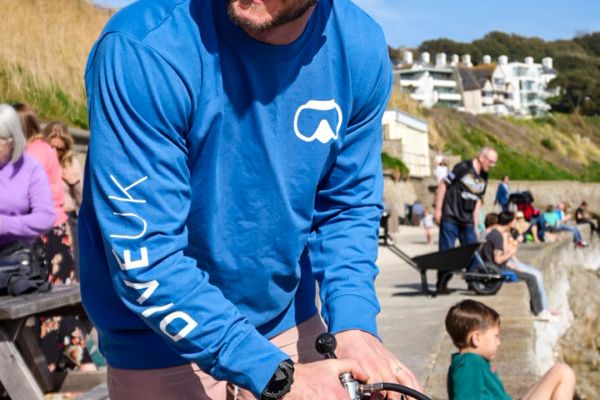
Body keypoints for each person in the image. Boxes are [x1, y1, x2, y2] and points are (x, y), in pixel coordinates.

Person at [81, 1, 421, 399]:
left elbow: (346, 207)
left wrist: (354, 324)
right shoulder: (146, 46)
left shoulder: (358, 46)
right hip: (162, 343)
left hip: (288, 322)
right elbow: (146, 254)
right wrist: (272, 375)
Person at [445, 300, 575, 400]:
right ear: (476, 338)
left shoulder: (470, 362)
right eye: (495, 336)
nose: (499, 342)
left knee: (560, 371)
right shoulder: (468, 365)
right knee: (563, 372)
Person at [14, 104, 76, 284]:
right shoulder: (36, 149)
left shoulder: (35, 152)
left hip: (49, 232)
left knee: (55, 287)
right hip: (47, 228)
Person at [433, 147, 498, 293]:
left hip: (467, 219)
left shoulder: (484, 176)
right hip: (451, 215)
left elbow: (478, 200)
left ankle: (473, 282)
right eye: (491, 161)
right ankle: (442, 284)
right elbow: (443, 184)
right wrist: (438, 210)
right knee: (447, 252)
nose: (492, 165)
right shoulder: (463, 167)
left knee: (472, 251)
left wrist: (476, 224)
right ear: (482, 157)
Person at [480, 211, 556, 319]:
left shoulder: (495, 233)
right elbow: (498, 259)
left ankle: (540, 309)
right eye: (514, 220)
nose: (516, 222)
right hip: (498, 270)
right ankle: (539, 312)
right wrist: (510, 253)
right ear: (510, 222)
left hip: (496, 267)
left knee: (531, 275)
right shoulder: (497, 236)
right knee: (532, 278)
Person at [0, 104, 55, 245]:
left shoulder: (30, 168)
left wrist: (5, 225)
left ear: (12, 141)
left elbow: (46, 217)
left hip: (13, 253)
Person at [42, 121, 84, 269]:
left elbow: (83, 202)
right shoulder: (37, 163)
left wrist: (75, 183)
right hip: (44, 219)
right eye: (51, 147)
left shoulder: (70, 163)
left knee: (72, 266)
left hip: (69, 220)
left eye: (59, 149)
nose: (54, 153)